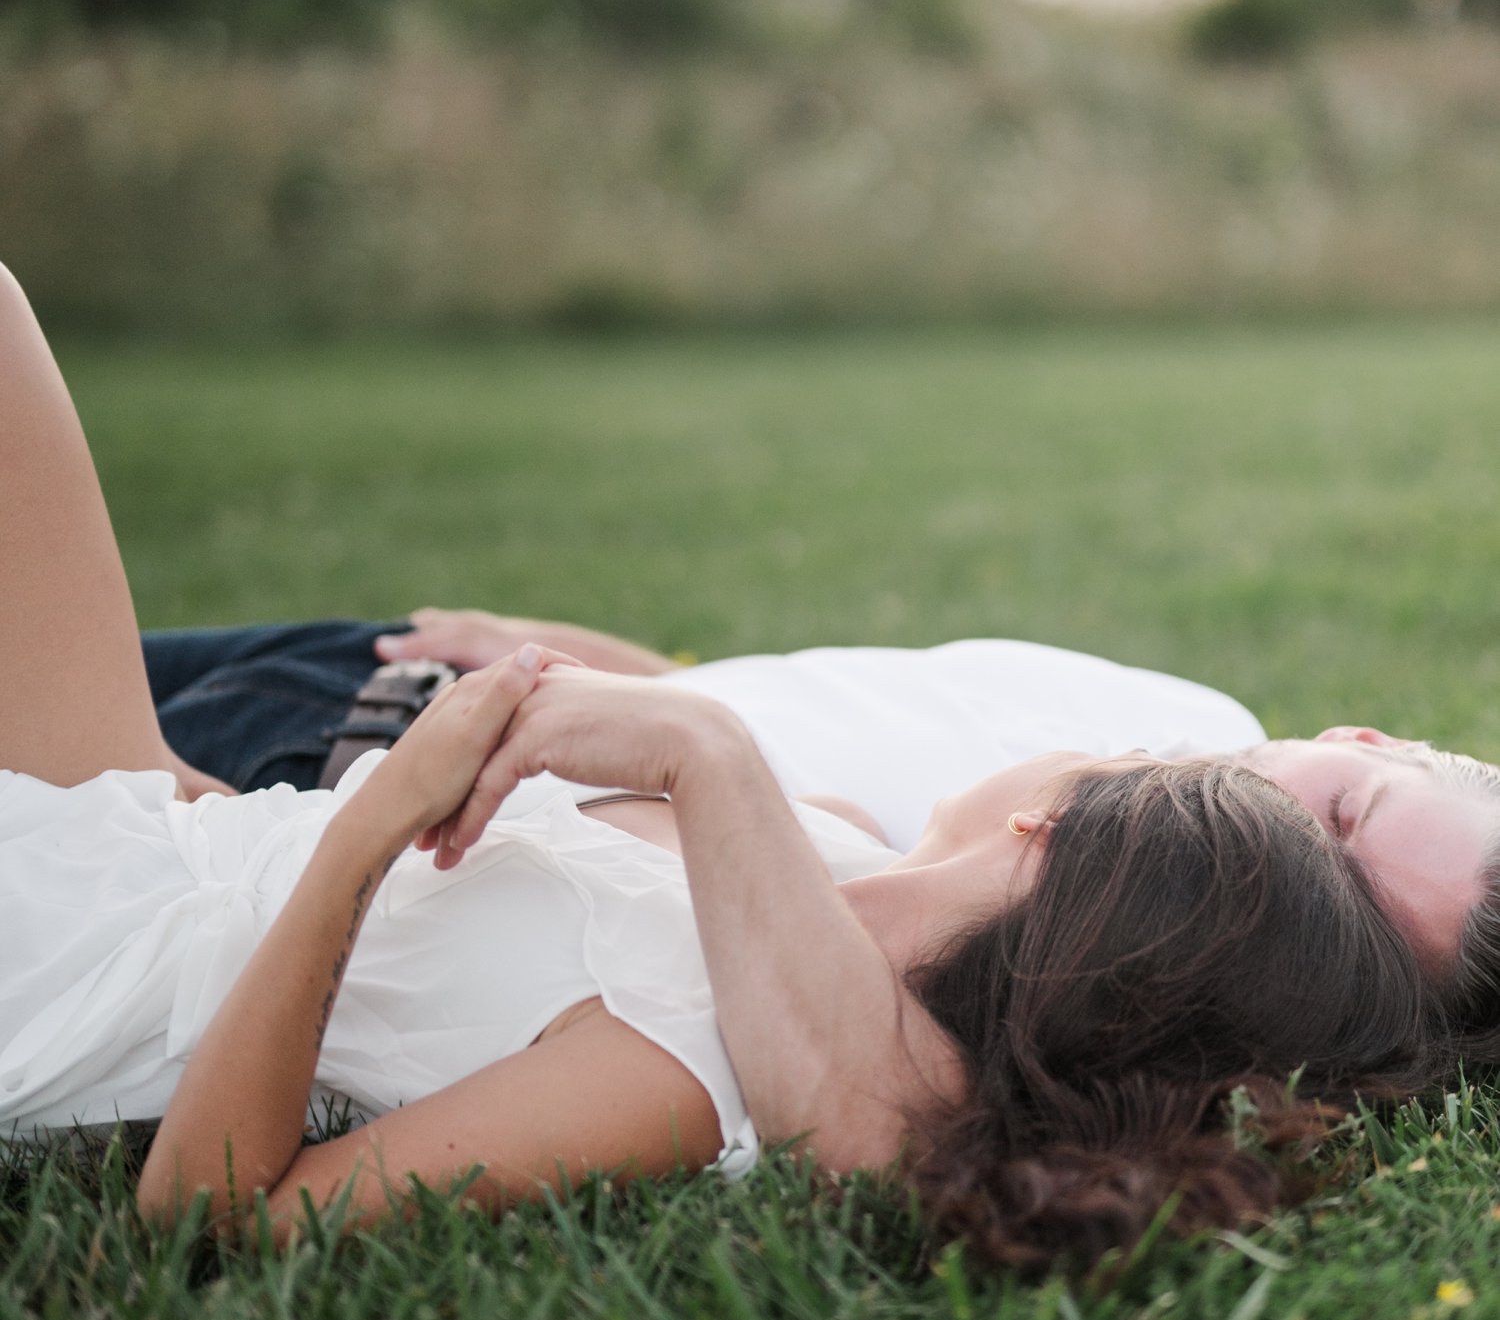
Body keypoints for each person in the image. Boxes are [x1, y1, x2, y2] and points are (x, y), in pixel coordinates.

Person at [0, 262, 1436, 1267]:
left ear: (1050, 828)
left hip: (70, 935)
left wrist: (371, 832)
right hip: (149, 814)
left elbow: (214, 1219)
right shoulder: (810, 872)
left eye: (1126, 762)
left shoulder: (686, 1054)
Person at [149, 604, 1500, 1050]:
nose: (1285, 846)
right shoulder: (1169, 709)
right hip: (408, 670)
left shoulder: (1074, 911)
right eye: (1348, 809)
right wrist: (575, 654)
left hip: (320, 791)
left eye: (1344, 915)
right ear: (1371, 739)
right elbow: (824, 701)